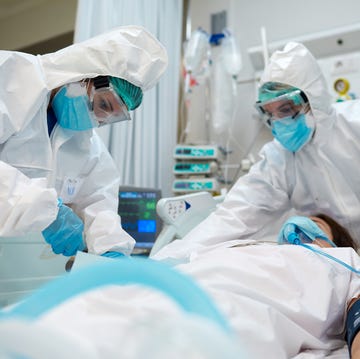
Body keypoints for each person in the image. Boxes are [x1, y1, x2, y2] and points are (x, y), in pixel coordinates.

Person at [2, 213, 360, 358]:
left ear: (336, 237)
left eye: (314, 222)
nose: (296, 226)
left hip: (217, 320)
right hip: (156, 295)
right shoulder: (243, 246)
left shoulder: (347, 262)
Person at [152, 41, 360, 261]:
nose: (279, 122)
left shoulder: (354, 125)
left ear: (313, 100)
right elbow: (234, 216)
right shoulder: (278, 159)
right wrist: (168, 260)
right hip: (337, 262)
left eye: (286, 109)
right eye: (270, 113)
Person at [0, 25, 168, 257]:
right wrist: (44, 210)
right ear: (83, 75)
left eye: (112, 117)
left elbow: (98, 201)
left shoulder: (86, 145)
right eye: (103, 105)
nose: (98, 120)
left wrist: (112, 249)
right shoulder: (9, 77)